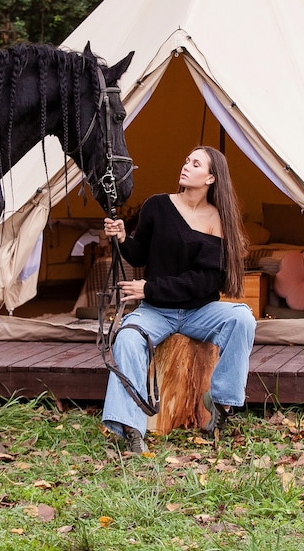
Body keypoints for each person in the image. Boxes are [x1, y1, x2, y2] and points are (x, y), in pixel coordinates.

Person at [100, 146, 255, 454]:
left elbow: (205, 282)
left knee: (242, 318)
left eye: (195, 164)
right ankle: (132, 428)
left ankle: (221, 401)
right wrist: (121, 239)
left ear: (211, 177)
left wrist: (151, 288)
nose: (186, 166)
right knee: (128, 339)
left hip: (201, 310)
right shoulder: (158, 205)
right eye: (186, 160)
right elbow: (138, 253)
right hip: (157, 312)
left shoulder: (218, 220)